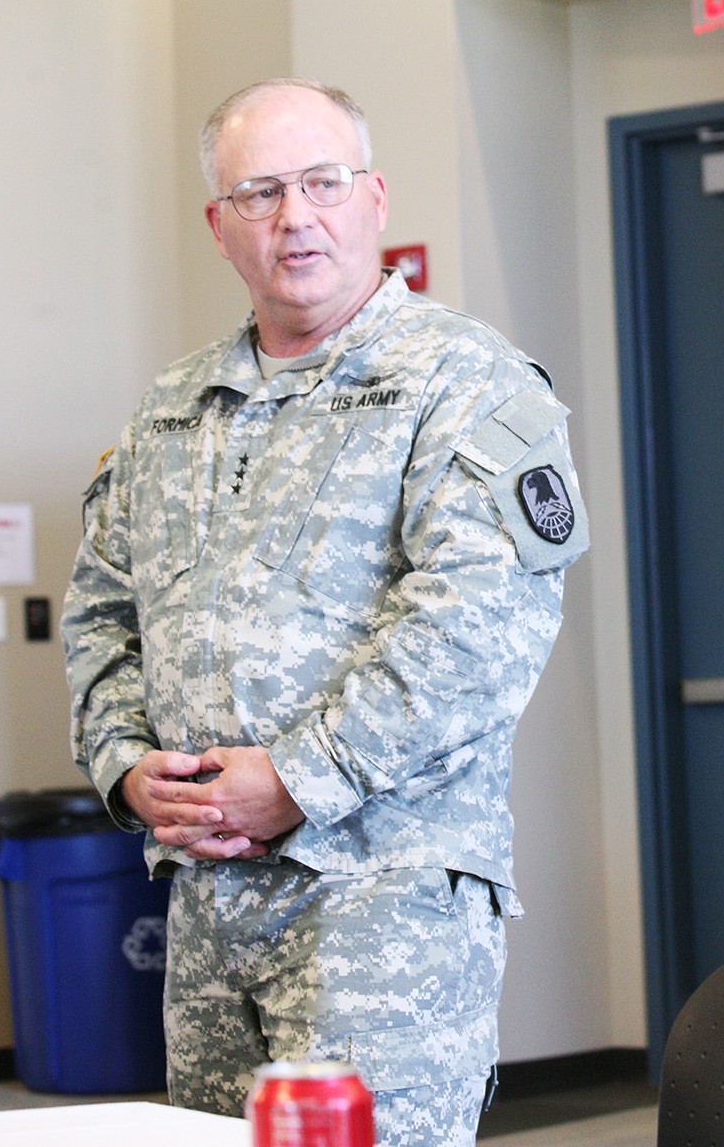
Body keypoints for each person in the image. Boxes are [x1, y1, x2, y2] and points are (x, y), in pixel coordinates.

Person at [61, 77, 587, 1147]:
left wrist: (297, 779)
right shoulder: (173, 409)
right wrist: (123, 764)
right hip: (209, 902)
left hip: (381, 895)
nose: (294, 217)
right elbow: (100, 614)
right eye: (258, 193)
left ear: (376, 197)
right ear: (220, 226)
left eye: (321, 183)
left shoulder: (466, 382)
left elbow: (474, 632)